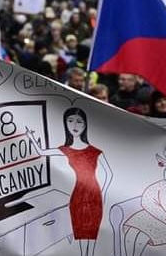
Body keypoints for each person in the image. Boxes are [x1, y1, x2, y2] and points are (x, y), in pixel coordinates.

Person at [30, 107, 111, 256]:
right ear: (65, 123)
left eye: (79, 122)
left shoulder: (95, 151)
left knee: (92, 233)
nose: (74, 126)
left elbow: (109, 174)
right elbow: (42, 152)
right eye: (70, 121)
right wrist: (31, 138)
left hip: (94, 195)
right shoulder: (64, 150)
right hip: (77, 196)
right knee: (79, 231)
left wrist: (104, 193)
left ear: (85, 125)